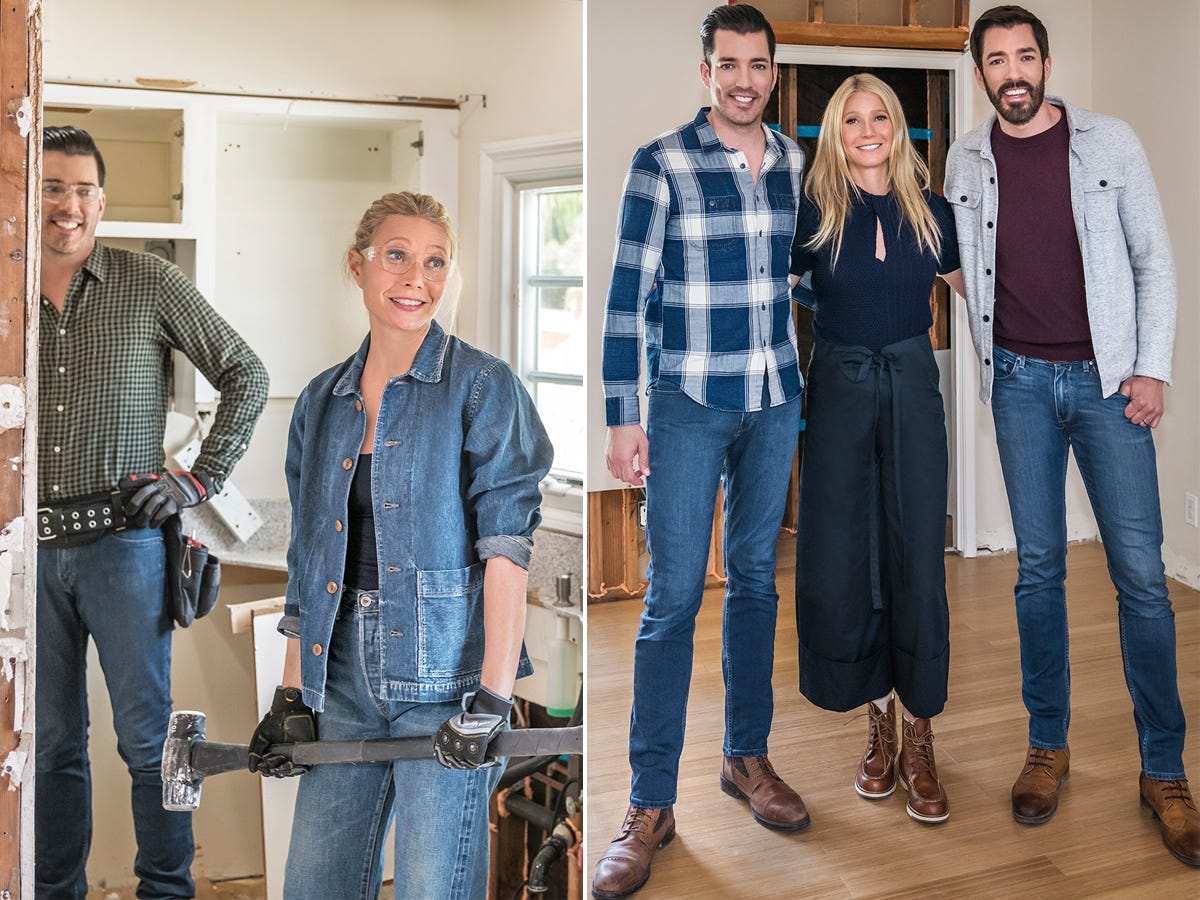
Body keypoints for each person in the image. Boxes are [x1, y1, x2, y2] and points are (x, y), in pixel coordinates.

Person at [247, 191, 553, 899]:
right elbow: (310, 559)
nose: (416, 277)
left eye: (435, 261)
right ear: (357, 267)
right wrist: (293, 694)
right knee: (314, 887)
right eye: (397, 257)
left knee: (430, 889)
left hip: (448, 685)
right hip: (342, 680)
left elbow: (507, 547)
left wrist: (493, 700)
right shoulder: (322, 402)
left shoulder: (482, 387)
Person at [945, 5, 1197, 866]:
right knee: (1039, 571)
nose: (1012, 72)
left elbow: (1154, 259)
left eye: (1025, 57)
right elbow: (957, 260)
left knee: (1142, 579)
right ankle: (1046, 747)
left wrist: (1151, 368)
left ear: (1046, 64)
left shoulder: (1111, 142)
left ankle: (1163, 769)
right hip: (1017, 383)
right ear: (981, 72)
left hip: (1108, 384)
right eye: (996, 60)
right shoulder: (965, 158)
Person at [593, 6, 808, 898]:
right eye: (730, 65)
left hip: (775, 398)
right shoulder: (663, 162)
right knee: (673, 599)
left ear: (772, 70)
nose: (745, 80)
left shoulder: (797, 162)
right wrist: (622, 414)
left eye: (758, 65)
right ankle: (649, 803)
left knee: (756, 580)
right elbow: (624, 292)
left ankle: (745, 758)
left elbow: (802, 277)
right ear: (705, 70)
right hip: (685, 402)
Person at [35, 126, 269, 898]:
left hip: (127, 549)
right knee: (49, 747)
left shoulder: (149, 282)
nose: (67, 205)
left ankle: (167, 891)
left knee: (152, 742)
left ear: (101, 202)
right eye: (51, 187)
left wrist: (198, 482)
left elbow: (247, 371)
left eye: (81, 190)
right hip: (26, 555)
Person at [790, 73, 963, 825]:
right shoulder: (811, 214)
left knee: (916, 553)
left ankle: (921, 732)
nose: (867, 129)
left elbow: (984, 298)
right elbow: (772, 300)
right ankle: (879, 727)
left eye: (880, 116)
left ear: (898, 127)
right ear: (836, 132)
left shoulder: (936, 215)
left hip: (914, 386)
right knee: (849, 555)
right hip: (837, 390)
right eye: (852, 119)